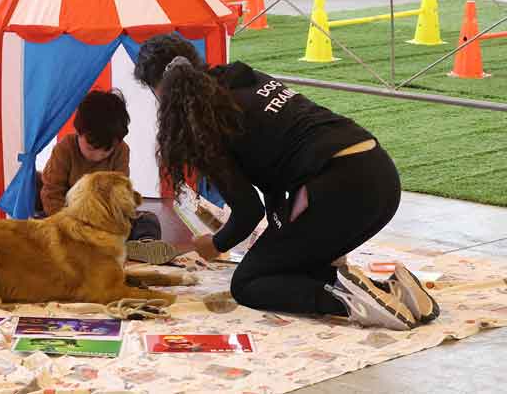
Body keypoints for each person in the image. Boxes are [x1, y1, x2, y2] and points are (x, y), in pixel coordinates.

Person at [133, 34, 440, 331]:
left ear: (158, 91)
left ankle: (350, 300)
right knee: (286, 264)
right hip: (380, 174)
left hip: (339, 187)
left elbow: (248, 211)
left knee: (249, 283)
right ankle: (393, 289)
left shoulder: (203, 119)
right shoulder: (245, 77)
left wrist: (215, 244)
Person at [38, 89, 180, 265]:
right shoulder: (65, 149)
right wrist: (69, 224)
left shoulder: (122, 151)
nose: (98, 155)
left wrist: (112, 223)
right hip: (71, 220)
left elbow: (120, 193)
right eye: (91, 148)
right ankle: (83, 248)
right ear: (78, 131)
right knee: (39, 221)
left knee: (147, 220)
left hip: (106, 222)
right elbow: (52, 192)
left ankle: (142, 246)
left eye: (107, 151)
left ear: (117, 142)